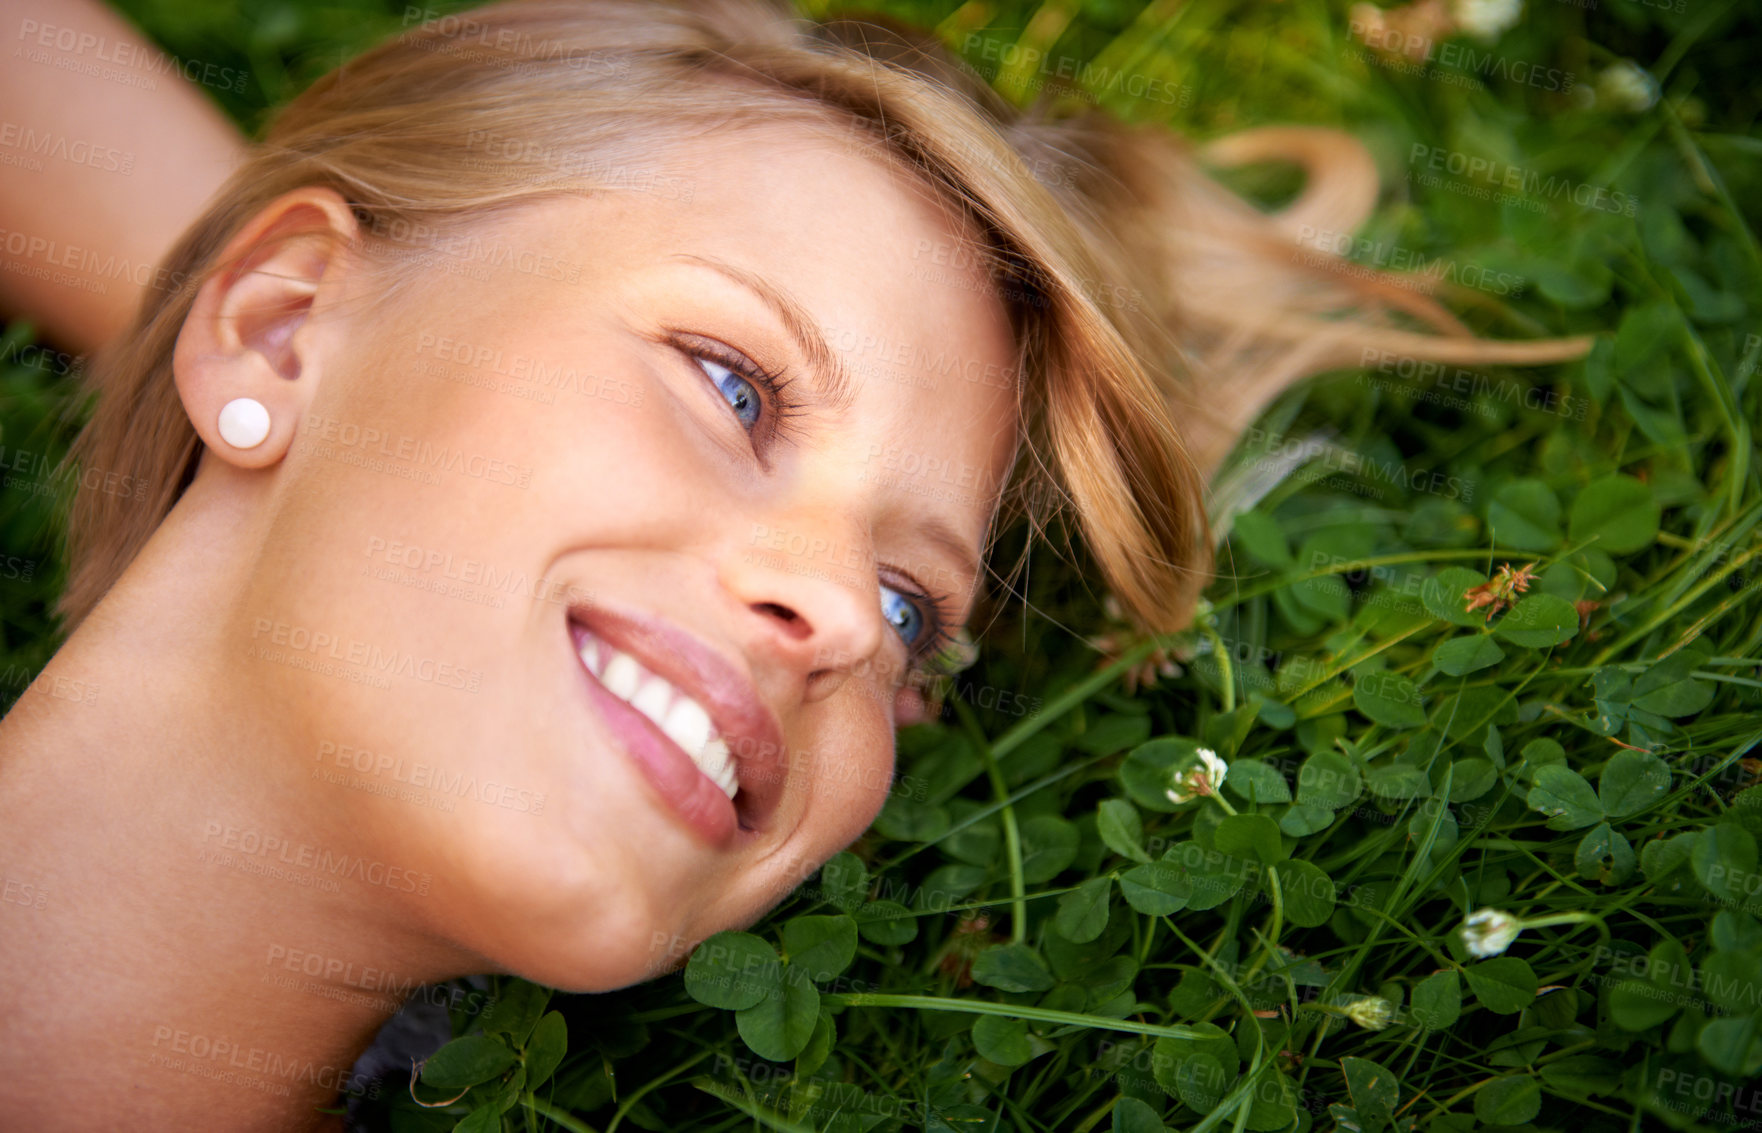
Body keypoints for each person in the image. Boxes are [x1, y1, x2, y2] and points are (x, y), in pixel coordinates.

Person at [0, 1, 1589, 1128]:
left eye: (916, 610)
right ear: (279, 315)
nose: (839, 617)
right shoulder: (297, 317)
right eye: (732, 381)